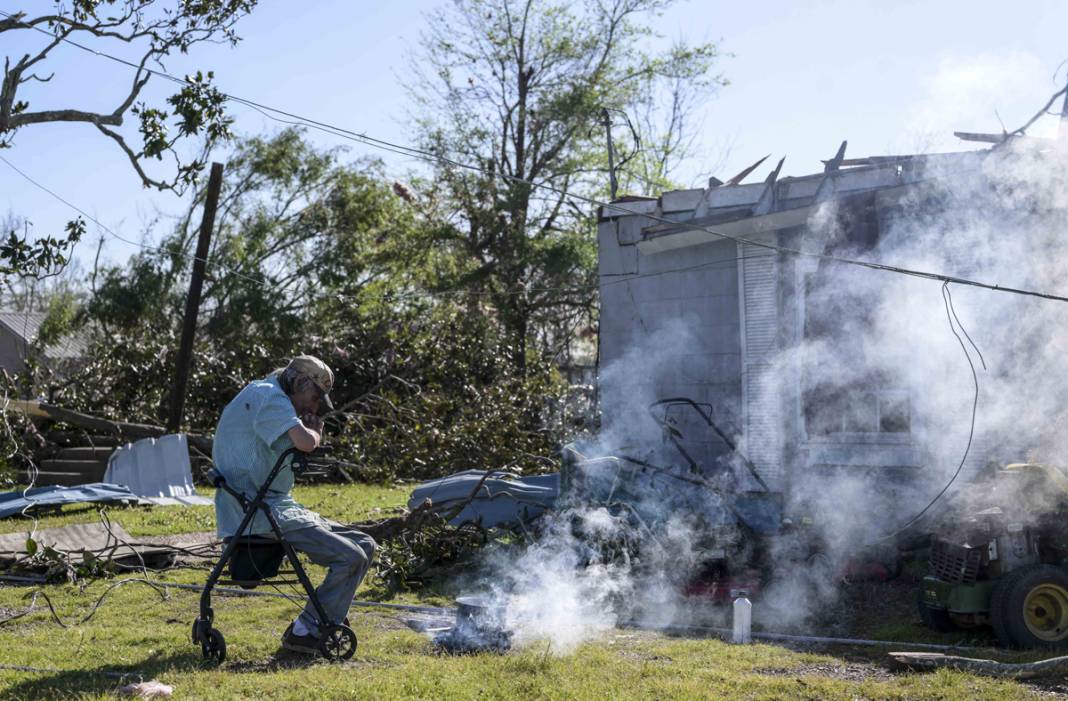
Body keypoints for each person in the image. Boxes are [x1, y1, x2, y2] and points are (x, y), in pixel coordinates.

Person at [212, 354, 375, 655]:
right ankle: (306, 631)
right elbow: (305, 442)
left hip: (273, 505)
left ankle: (318, 621)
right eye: (313, 399)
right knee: (350, 557)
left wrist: (306, 429)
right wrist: (315, 432)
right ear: (299, 382)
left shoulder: (268, 394)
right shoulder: (270, 397)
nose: (312, 408)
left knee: (365, 544)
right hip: (257, 510)